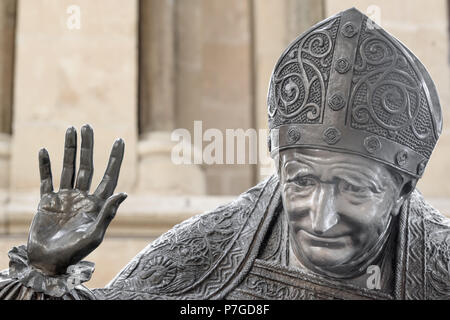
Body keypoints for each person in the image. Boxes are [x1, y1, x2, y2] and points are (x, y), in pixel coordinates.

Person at [0, 7, 449, 300]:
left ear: (403, 189)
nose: (321, 217)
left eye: (353, 188)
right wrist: (43, 272)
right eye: (303, 181)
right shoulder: (217, 246)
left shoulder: (439, 266)